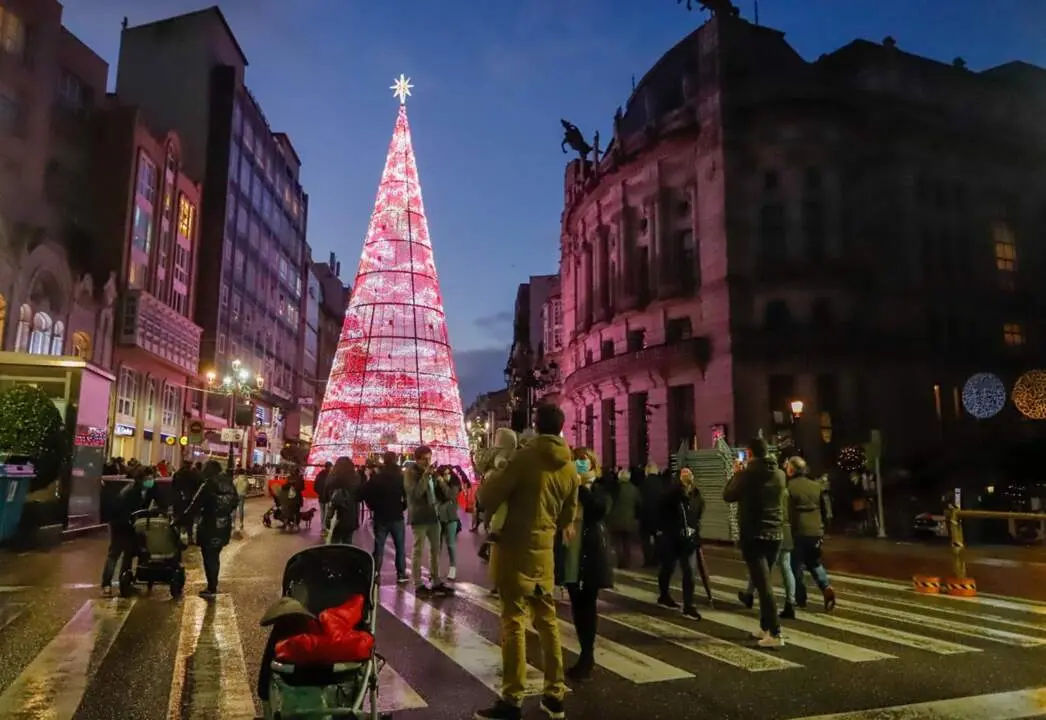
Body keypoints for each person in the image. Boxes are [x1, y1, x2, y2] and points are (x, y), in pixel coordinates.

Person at [474, 403, 579, 720]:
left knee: (513, 621)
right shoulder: (569, 466)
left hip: (514, 549)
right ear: (560, 428)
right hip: (544, 552)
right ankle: (555, 693)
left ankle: (512, 697)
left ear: (535, 425)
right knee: (547, 621)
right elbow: (566, 517)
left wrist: (493, 471)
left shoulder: (523, 458)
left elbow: (487, 497)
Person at [723, 438, 787, 648]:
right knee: (763, 582)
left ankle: (776, 633)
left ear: (750, 454)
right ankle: (765, 626)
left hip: (754, 534)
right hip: (775, 533)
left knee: (764, 584)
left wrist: (736, 473)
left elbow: (728, 495)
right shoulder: (779, 474)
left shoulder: (747, 475)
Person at [556, 447, 613, 682]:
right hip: (571, 554)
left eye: (583, 460)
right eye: (575, 460)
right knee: (577, 607)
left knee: (587, 607)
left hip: (589, 555)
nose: (579, 463)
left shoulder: (599, 487)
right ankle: (585, 654)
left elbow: (598, 509)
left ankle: (587, 656)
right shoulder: (568, 487)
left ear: (592, 464)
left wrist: (580, 486)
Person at [785, 456, 837, 612]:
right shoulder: (816, 486)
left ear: (792, 470)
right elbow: (827, 511)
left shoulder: (789, 488)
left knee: (796, 566)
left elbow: (786, 512)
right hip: (816, 530)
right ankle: (826, 586)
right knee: (814, 562)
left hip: (798, 531)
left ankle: (800, 599)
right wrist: (823, 529)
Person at [655, 467, 705, 619]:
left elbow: (698, 512)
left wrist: (695, 529)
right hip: (672, 537)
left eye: (689, 473)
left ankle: (688, 605)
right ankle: (664, 594)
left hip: (689, 539)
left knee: (689, 572)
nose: (687, 475)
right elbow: (662, 511)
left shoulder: (696, 494)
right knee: (668, 567)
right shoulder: (672, 494)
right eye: (684, 473)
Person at [101, 466, 158, 596]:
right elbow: (123, 509)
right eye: (148, 478)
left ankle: (125, 583)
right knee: (115, 553)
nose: (151, 480)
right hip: (120, 524)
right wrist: (129, 522)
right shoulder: (132, 491)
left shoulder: (146, 490)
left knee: (128, 554)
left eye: (152, 478)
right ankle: (106, 584)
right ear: (142, 479)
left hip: (132, 525)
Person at [185, 460, 239, 597]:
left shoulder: (208, 484)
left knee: (209, 557)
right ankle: (212, 585)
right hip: (223, 524)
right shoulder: (228, 483)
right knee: (214, 556)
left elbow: (195, 504)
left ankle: (211, 586)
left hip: (209, 525)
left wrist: (183, 518)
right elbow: (235, 501)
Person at [404, 446, 446, 596]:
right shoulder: (411, 473)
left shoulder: (431, 473)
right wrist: (425, 476)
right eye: (425, 459)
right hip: (420, 517)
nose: (428, 462)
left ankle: (436, 580)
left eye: (430, 458)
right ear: (417, 459)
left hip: (433, 515)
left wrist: (439, 479)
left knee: (436, 549)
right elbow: (415, 493)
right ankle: (418, 584)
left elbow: (439, 493)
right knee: (418, 550)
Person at [361, 452, 408, 582]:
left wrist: (372, 506)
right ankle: (401, 574)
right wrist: (402, 506)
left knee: (379, 546)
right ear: (395, 460)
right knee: (400, 546)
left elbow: (365, 492)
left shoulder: (377, 478)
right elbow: (407, 494)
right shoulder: (400, 477)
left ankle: (376, 573)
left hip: (380, 516)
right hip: (397, 516)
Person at [606, 468, 640, 568]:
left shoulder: (615, 489)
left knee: (617, 543)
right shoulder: (634, 489)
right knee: (627, 543)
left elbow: (609, 503)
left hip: (616, 519)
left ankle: (620, 561)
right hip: (629, 519)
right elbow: (639, 503)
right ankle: (627, 562)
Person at [436, 465, 463, 584]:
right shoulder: (436, 484)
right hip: (438, 517)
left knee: (450, 544)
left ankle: (452, 567)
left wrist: (442, 483)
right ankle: (435, 569)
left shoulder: (455, 483)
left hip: (451, 518)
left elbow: (450, 495)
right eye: (444, 474)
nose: (447, 476)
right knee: (437, 545)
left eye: (448, 473)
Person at [327, 457, 361, 544]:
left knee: (334, 542)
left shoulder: (335, 479)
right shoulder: (356, 478)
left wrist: (328, 518)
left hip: (339, 516)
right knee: (348, 542)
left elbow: (330, 495)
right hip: (352, 515)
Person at [314, 461, 333, 534]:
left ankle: (323, 527)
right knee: (327, 513)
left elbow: (315, 486)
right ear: (329, 467)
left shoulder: (319, 475)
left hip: (321, 497)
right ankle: (325, 527)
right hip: (328, 498)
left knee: (322, 513)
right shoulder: (330, 475)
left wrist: (320, 493)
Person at [233, 466, 250, 531]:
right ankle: (241, 523)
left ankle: (233, 523)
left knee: (234, 509)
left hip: (236, 495)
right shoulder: (246, 480)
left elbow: (233, 486)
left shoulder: (236, 479)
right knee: (241, 510)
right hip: (242, 496)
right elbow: (248, 487)